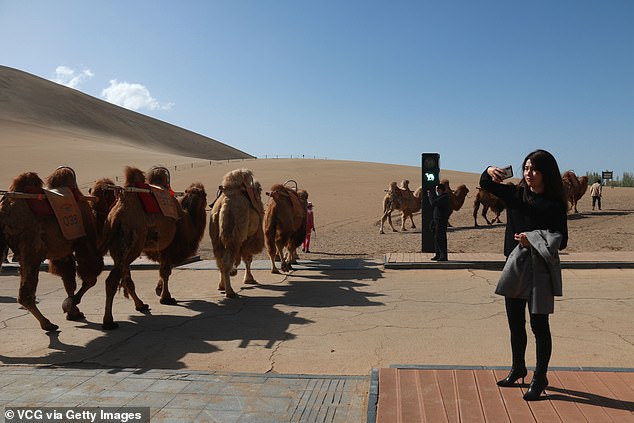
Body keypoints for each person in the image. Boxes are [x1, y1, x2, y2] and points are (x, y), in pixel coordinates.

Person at [480, 149, 568, 401]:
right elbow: (485, 183)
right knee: (515, 323)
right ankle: (518, 368)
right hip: (515, 267)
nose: (529, 173)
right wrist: (489, 169)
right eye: (526, 168)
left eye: (535, 169)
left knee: (539, 326)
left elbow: (562, 240)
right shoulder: (515, 195)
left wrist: (533, 239)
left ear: (546, 174)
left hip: (539, 270)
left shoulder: (554, 204)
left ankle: (540, 377)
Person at [427, 183, 450, 261]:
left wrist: (430, 196)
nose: (436, 191)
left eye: (437, 189)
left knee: (440, 238)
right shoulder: (440, 197)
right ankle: (438, 254)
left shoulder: (444, 197)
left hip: (441, 220)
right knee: (436, 238)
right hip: (437, 219)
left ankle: (443, 256)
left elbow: (433, 203)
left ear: (440, 190)